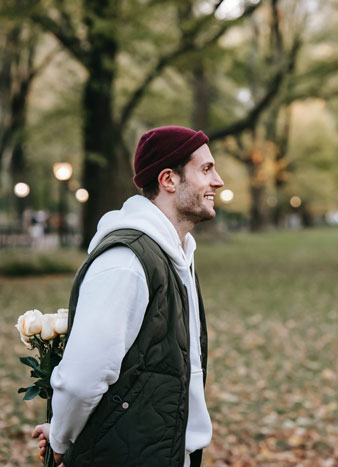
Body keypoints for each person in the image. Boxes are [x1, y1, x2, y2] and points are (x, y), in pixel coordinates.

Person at [32, 125, 224, 466]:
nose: (218, 181)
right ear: (169, 180)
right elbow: (81, 377)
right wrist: (62, 438)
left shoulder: (175, 254)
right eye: (206, 169)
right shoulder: (126, 262)